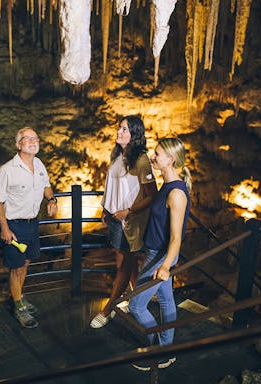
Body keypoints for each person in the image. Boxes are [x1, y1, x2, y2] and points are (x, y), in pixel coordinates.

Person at [128, 137, 192, 371]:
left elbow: (176, 237)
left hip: (162, 256)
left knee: (136, 306)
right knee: (166, 301)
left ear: (171, 160)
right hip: (155, 251)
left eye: (157, 154)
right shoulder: (166, 185)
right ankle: (167, 350)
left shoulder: (176, 194)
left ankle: (158, 350)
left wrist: (165, 265)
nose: (153, 157)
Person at [90, 115, 157, 329]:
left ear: (135, 134)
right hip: (115, 218)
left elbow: (151, 195)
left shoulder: (141, 160)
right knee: (125, 261)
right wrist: (106, 209)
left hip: (130, 221)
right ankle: (137, 298)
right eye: (119, 128)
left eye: (125, 130)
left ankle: (109, 308)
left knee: (124, 263)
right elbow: (114, 187)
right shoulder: (119, 155)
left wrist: (128, 211)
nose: (119, 132)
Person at [0, 127, 58, 329]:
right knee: (17, 268)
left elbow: (46, 185)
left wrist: (52, 198)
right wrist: (4, 228)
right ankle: (18, 306)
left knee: (26, 263)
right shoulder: (6, 171)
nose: (32, 141)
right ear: (18, 144)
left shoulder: (38, 164)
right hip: (14, 225)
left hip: (32, 223)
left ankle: (18, 296)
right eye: (27, 138)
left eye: (35, 138)